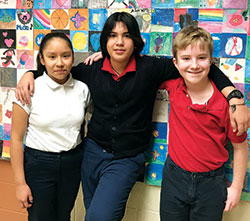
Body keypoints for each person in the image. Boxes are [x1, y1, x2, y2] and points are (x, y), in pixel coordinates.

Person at [15, 12, 250, 221]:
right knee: (91, 212)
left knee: (99, 217)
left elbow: (197, 63)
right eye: (112, 35)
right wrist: (30, 72)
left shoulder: (151, 68)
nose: (119, 42)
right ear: (105, 41)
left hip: (126, 158)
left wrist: (234, 96)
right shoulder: (91, 70)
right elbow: (60, 70)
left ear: (135, 40)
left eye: (126, 35)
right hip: (92, 154)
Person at [159, 26, 248, 221]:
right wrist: (105, 56)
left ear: (211, 61)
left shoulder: (226, 105)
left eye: (201, 58)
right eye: (186, 58)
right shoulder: (173, 87)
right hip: (174, 178)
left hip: (211, 184)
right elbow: (139, 69)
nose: (194, 65)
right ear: (175, 62)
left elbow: (240, 147)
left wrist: (236, 188)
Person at [10, 32, 90, 221]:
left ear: (72, 57)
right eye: (52, 57)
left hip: (72, 162)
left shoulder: (83, 89)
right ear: (42, 60)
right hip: (39, 164)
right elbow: (16, 138)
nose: (60, 63)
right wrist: (20, 183)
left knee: (63, 216)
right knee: (40, 217)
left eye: (65, 56)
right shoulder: (29, 90)